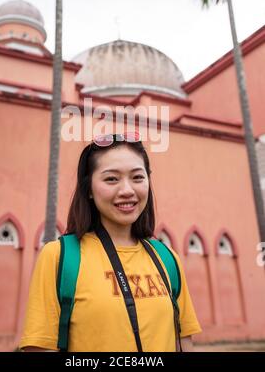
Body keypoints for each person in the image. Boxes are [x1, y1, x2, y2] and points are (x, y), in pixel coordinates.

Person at [19, 132, 201, 352]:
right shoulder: (59, 257)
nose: (127, 191)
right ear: (89, 190)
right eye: (111, 179)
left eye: (137, 177)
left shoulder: (167, 258)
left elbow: (184, 343)